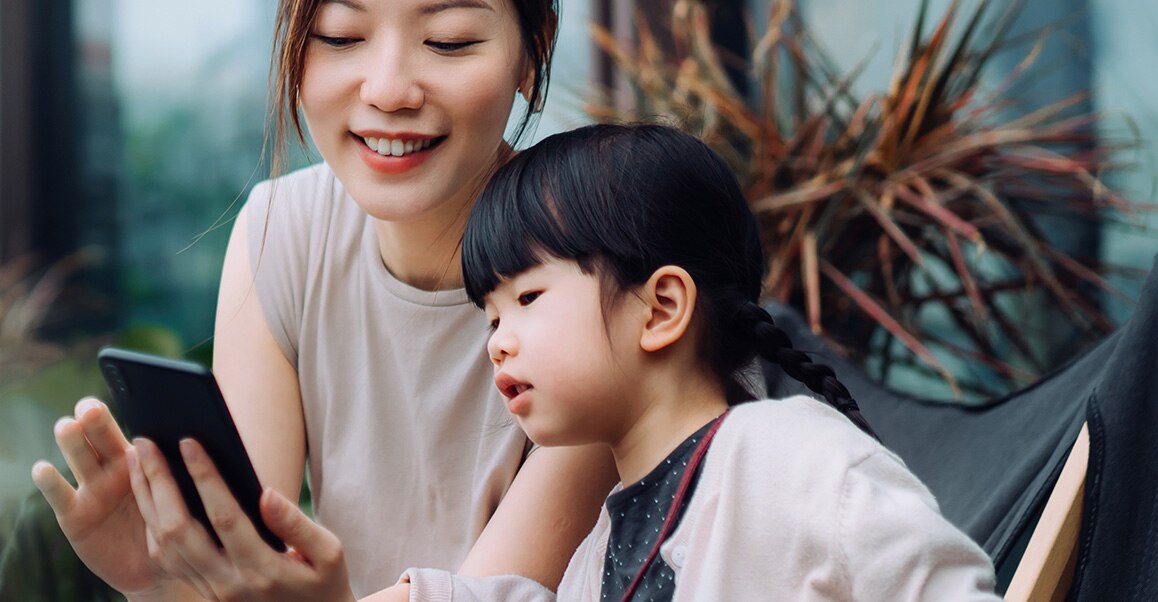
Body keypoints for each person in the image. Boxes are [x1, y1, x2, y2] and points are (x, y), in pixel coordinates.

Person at [31, 0, 618, 600]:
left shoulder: (604, 277)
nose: (387, 89)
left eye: (447, 42)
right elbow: (253, 568)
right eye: (340, 35)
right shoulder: (284, 234)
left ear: (532, 51)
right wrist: (170, 586)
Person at [380, 123, 991, 600]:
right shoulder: (596, 557)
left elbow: (933, 580)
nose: (498, 341)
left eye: (528, 298)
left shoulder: (784, 455)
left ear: (661, 308)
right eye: (491, 317)